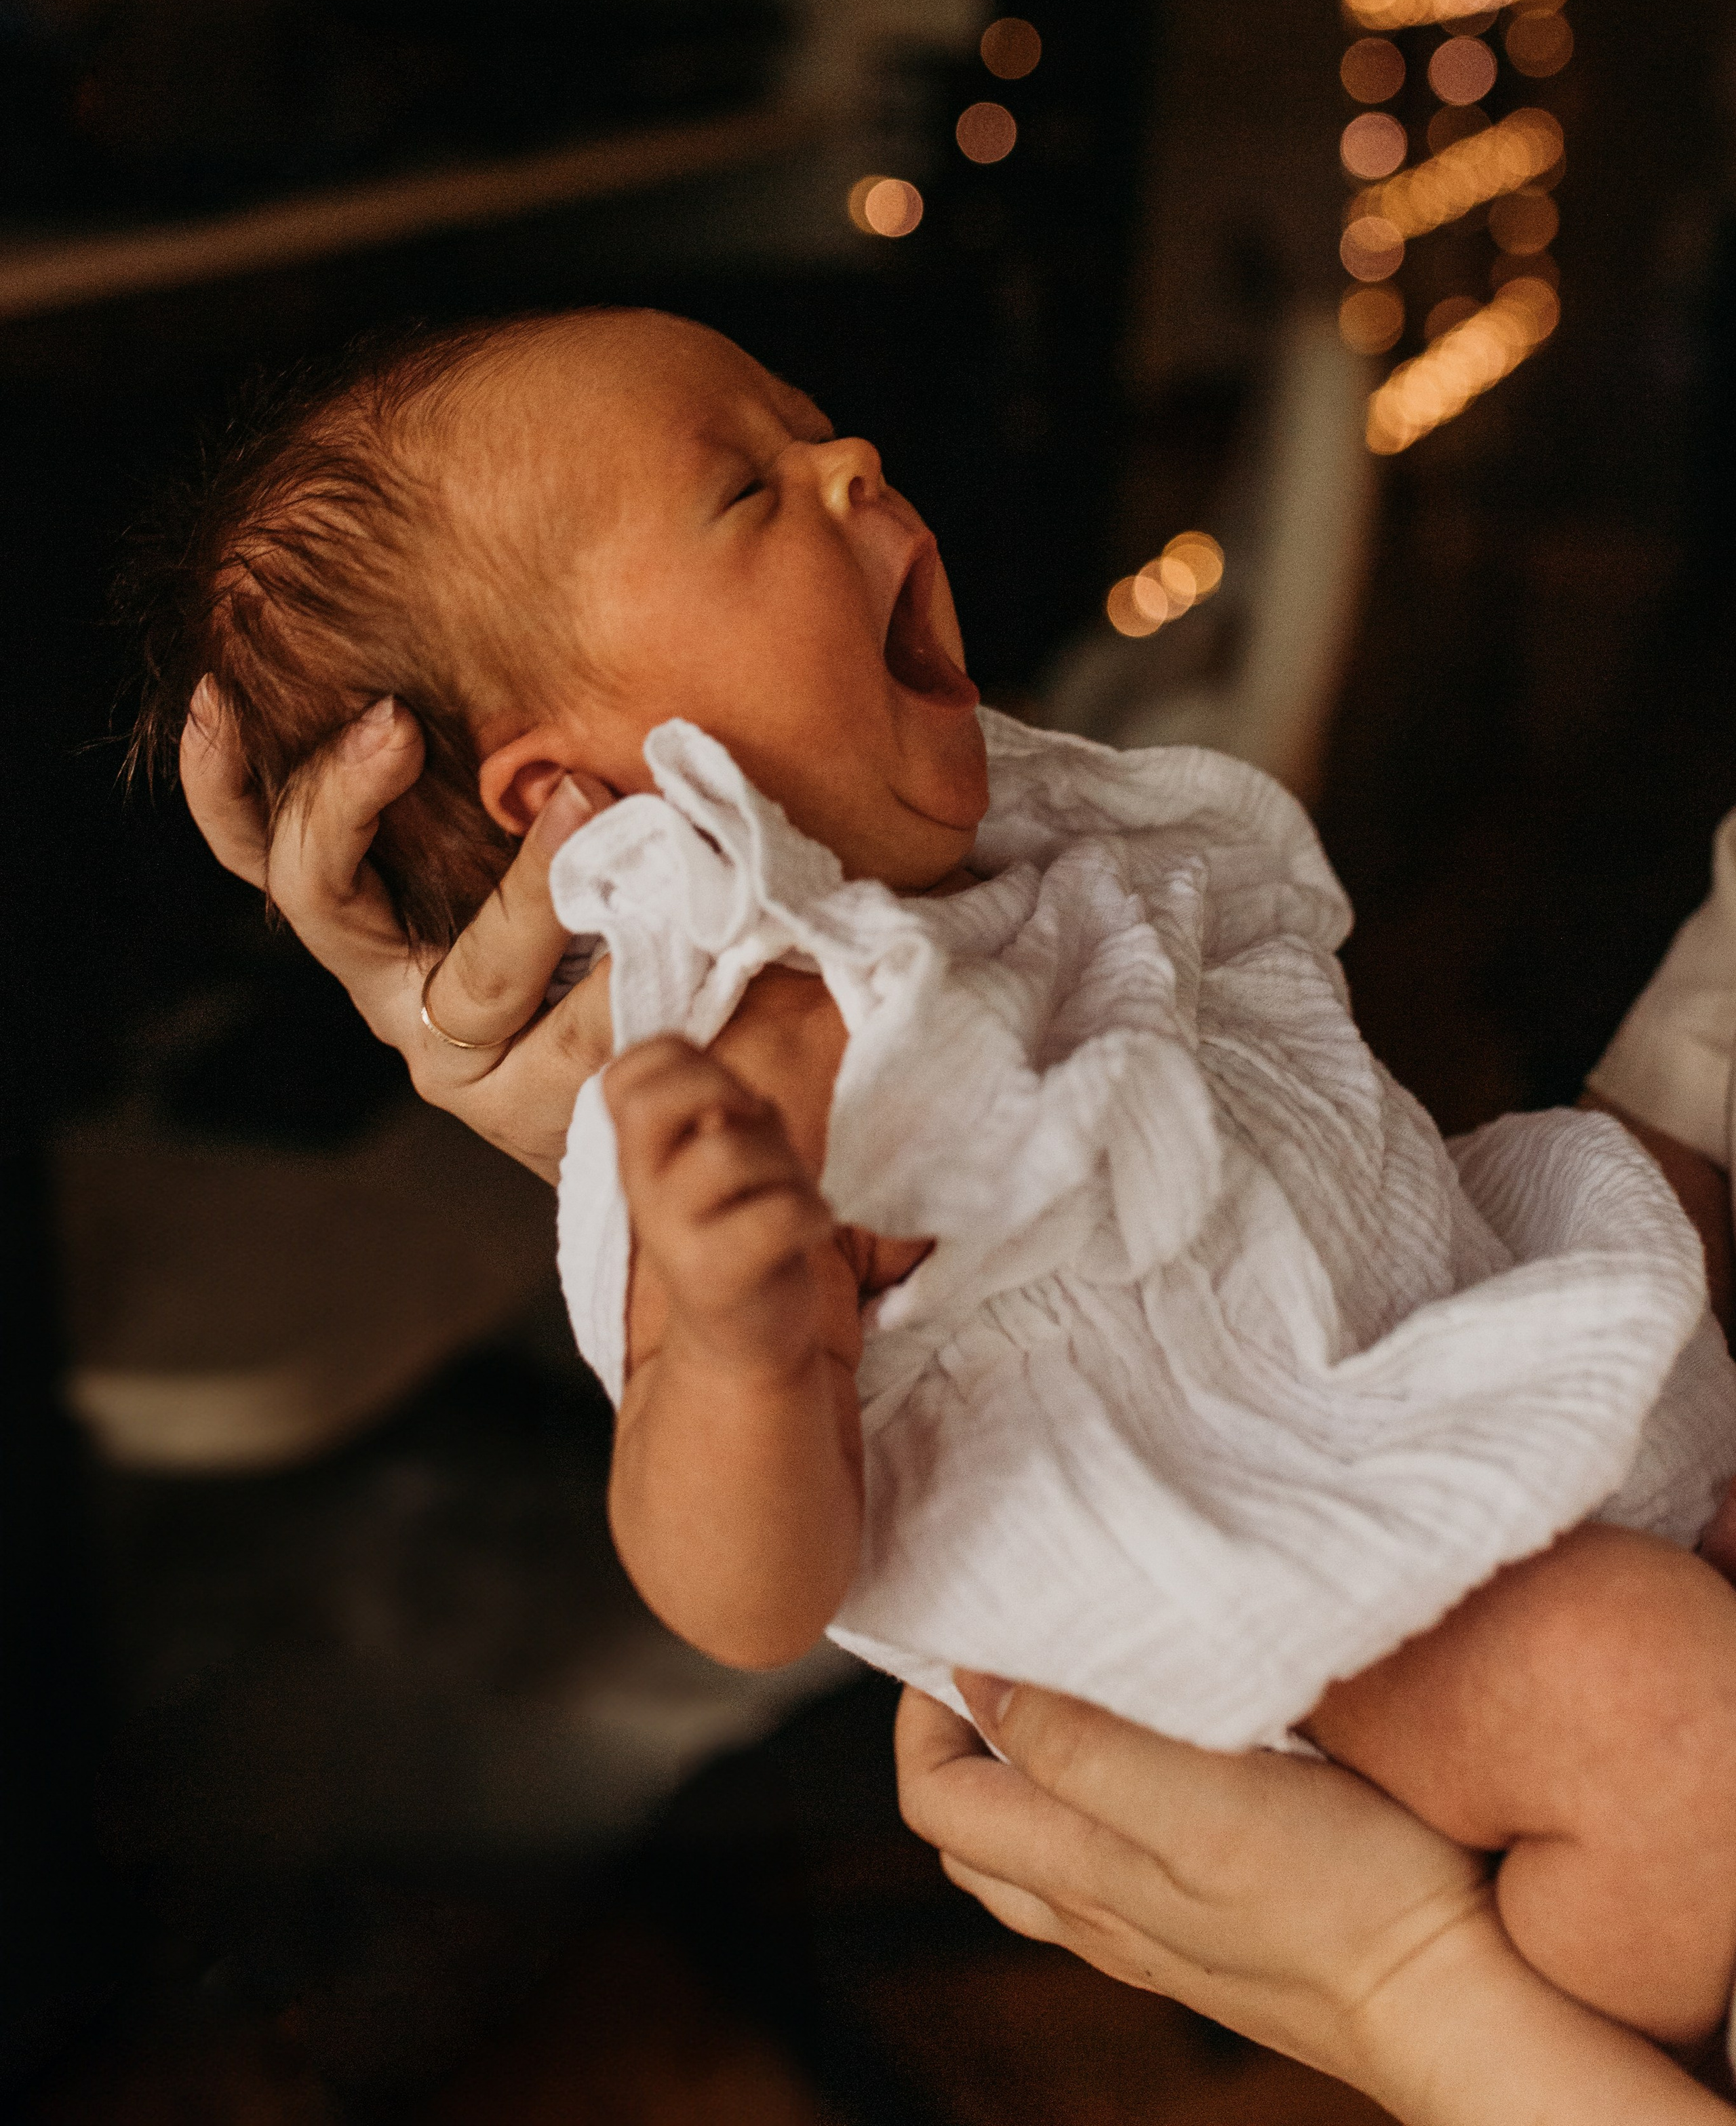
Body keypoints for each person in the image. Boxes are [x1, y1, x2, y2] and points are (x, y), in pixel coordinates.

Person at [153, 306, 1736, 2053]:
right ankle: (1631, 2014)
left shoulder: (991, 878)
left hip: (1425, 1405)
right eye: (747, 491)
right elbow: (744, 1601)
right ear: (577, 802)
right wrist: (745, 1355)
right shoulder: (759, 1069)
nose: (852, 463)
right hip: (1280, 1574)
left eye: (812, 430)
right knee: (1678, 1734)